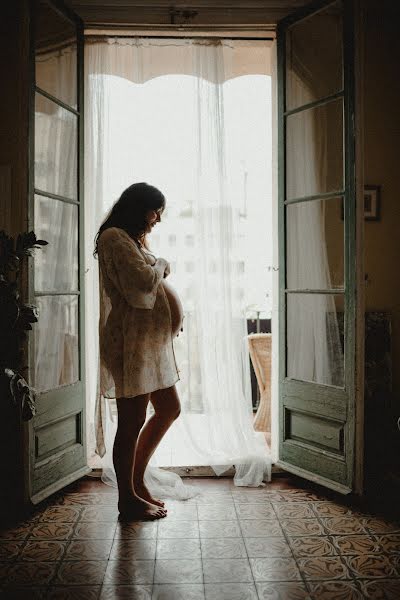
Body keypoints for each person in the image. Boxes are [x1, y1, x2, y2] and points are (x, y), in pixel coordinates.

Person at [94, 182, 184, 520]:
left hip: (149, 344)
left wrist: (170, 320)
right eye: (155, 210)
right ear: (139, 207)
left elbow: (153, 295)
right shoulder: (114, 237)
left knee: (168, 408)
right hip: (130, 345)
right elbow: (141, 288)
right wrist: (161, 264)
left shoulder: (131, 239)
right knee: (131, 420)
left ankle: (136, 484)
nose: (158, 218)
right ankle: (127, 499)